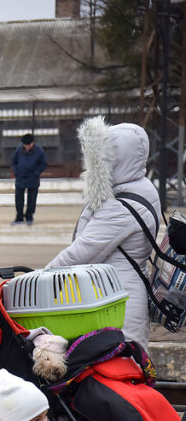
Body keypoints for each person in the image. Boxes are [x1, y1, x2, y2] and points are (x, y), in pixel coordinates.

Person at [46, 118, 160, 350]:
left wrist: (43, 277)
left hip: (118, 300)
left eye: (104, 157)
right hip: (119, 291)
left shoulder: (121, 206)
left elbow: (84, 251)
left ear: (118, 158)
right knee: (126, 366)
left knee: (122, 368)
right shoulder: (141, 186)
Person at [11, 133, 47, 226]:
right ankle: (19, 218)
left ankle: (29, 217)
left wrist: (36, 173)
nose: (26, 147)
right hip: (20, 178)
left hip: (33, 179)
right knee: (19, 200)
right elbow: (13, 161)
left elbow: (43, 164)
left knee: (32, 200)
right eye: (25, 145)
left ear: (32, 143)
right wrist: (16, 172)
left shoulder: (39, 151)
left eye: (28, 145)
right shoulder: (19, 149)